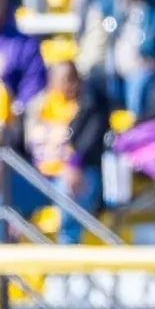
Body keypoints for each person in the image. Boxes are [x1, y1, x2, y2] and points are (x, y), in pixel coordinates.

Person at [21, 59, 102, 242]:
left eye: (73, 79)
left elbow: (87, 144)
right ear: (51, 80)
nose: (70, 85)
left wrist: (72, 165)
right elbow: (24, 143)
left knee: (69, 188)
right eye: (64, 79)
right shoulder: (38, 107)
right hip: (39, 172)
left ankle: (68, 253)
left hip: (74, 173)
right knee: (6, 190)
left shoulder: (89, 107)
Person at [75, 0, 155, 116]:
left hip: (143, 68)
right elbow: (95, 45)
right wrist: (84, 69)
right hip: (110, 69)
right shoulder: (104, 6)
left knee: (140, 79)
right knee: (90, 84)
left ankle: (136, 127)